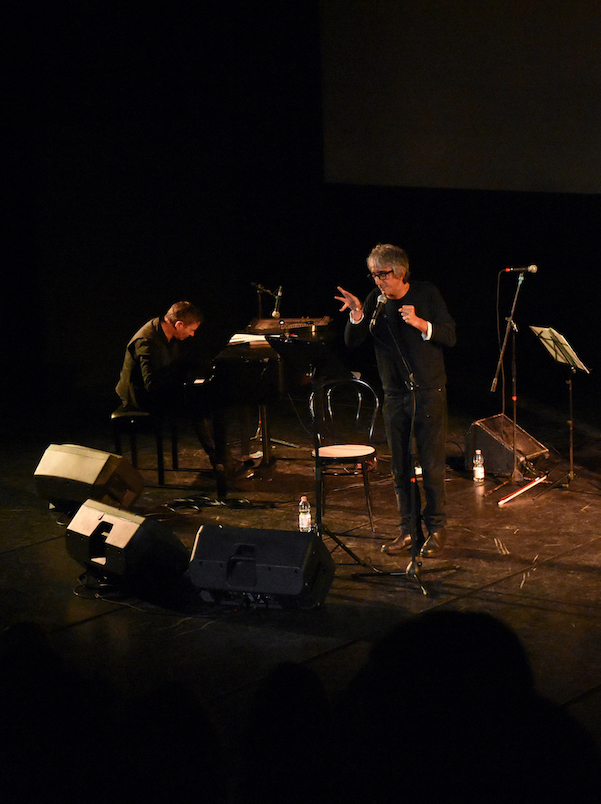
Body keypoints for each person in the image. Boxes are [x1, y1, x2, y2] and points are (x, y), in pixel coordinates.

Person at [335, 244, 456, 557]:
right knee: (400, 468)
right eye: (374, 275)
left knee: (430, 466)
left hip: (428, 392)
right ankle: (408, 531)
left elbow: (449, 334)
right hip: (394, 394)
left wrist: (419, 323)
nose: (378, 281)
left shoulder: (427, 294)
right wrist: (357, 313)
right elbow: (352, 341)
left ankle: (437, 530)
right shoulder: (375, 301)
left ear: (400, 272)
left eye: (383, 275)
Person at [115, 300, 219, 467]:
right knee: (198, 404)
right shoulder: (148, 341)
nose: (192, 335)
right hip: (140, 397)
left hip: (157, 389)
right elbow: (151, 384)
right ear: (179, 324)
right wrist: (186, 385)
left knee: (207, 400)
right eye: (191, 330)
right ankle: (220, 461)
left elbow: (173, 366)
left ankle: (220, 458)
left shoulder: (168, 333)